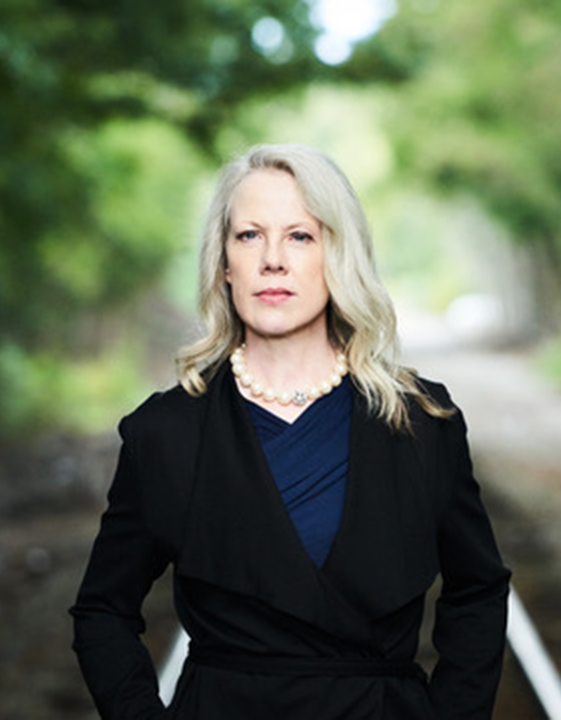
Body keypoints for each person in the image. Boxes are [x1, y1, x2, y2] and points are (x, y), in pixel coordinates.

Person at [69, 144, 510, 719]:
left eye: (300, 236)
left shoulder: (421, 422)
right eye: (249, 235)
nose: (272, 259)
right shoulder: (166, 432)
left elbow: (477, 589)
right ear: (224, 263)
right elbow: (102, 610)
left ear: (338, 255)